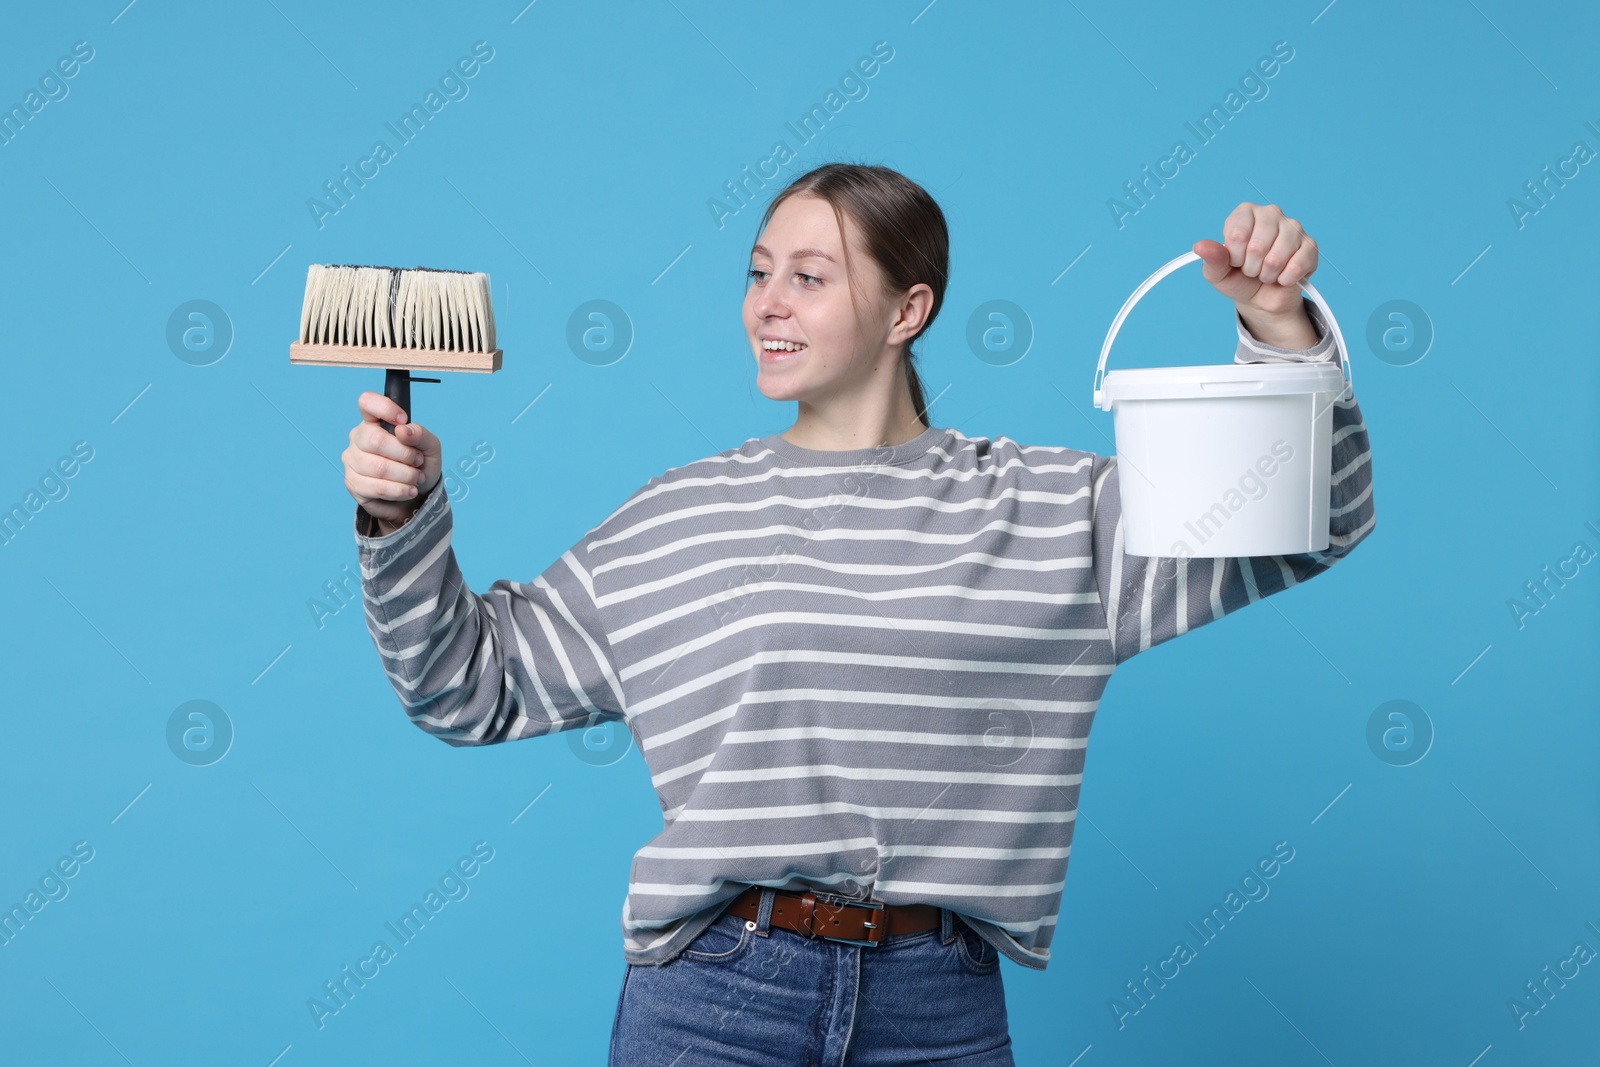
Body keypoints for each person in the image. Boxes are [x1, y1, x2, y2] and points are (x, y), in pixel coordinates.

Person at [342, 162, 1375, 1065]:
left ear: (905, 310)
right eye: (756, 272)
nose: (766, 305)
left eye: (808, 275)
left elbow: (1309, 520)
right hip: (710, 1005)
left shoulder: (1053, 511)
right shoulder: (678, 518)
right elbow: (466, 685)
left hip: (940, 1004)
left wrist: (1274, 325)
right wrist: (400, 516)